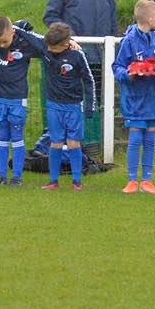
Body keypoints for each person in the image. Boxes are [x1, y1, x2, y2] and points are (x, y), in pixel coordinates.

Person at [44, 0, 117, 157]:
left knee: (96, 102)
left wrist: (113, 46)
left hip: (100, 58)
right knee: (72, 103)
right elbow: (51, 16)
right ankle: (68, 146)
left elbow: (113, 20)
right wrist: (67, 39)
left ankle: (92, 147)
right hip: (72, 57)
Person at [113, 0, 155, 195]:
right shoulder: (129, 41)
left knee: (150, 139)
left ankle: (147, 180)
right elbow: (117, 67)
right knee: (135, 137)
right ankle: (132, 180)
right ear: (150, 19)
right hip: (135, 99)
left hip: (154, 98)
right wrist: (130, 74)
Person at [0, 16, 49, 186]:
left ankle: (17, 176)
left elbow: (44, 46)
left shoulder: (25, 43)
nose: (2, 45)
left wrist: (22, 32)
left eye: (5, 41)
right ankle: (2, 175)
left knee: (17, 136)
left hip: (17, 98)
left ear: (13, 33)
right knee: (2, 136)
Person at [40, 22, 96, 191]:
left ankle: (77, 182)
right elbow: (29, 35)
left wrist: (90, 106)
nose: (49, 49)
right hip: (53, 106)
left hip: (73, 107)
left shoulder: (77, 56)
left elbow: (89, 80)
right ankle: (53, 181)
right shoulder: (46, 50)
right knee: (55, 143)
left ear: (65, 44)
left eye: (53, 47)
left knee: (73, 144)